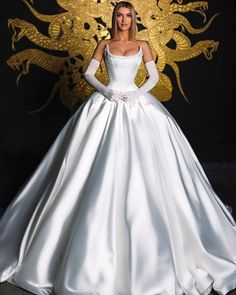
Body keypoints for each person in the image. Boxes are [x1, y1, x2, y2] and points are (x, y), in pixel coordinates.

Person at [0, 1, 236, 294]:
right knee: (87, 165)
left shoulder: (143, 44)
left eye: (128, 16)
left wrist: (136, 94)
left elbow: (153, 77)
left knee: (151, 168)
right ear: (114, 19)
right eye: (119, 16)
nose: (124, 20)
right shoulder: (105, 43)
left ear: (133, 19)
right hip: (107, 101)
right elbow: (88, 73)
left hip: (138, 104)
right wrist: (107, 90)